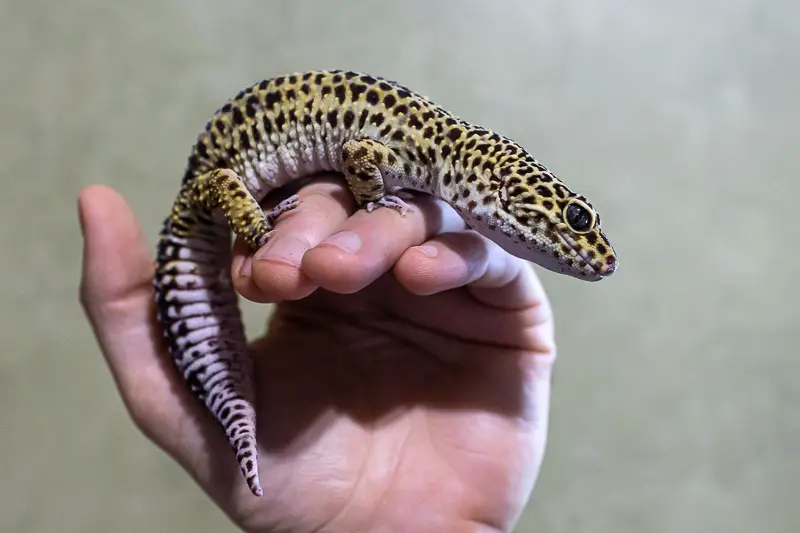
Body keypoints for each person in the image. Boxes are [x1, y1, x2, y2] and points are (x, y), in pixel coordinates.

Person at [78, 173, 557, 532]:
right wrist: (278, 229)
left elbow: (362, 159)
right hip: (217, 186)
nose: (584, 247)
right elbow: (359, 158)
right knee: (293, 258)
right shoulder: (420, 158)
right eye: (574, 222)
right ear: (502, 186)